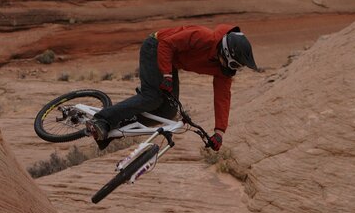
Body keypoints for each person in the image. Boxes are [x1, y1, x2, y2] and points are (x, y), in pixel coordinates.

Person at [86, 24, 257, 151]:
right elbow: (167, 44)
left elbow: (222, 98)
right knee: (153, 96)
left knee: (168, 112)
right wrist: (167, 75)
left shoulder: (223, 70)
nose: (235, 68)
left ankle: (110, 129)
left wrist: (219, 132)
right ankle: (101, 119)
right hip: (156, 46)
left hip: (171, 63)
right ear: (226, 52)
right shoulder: (203, 37)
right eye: (235, 63)